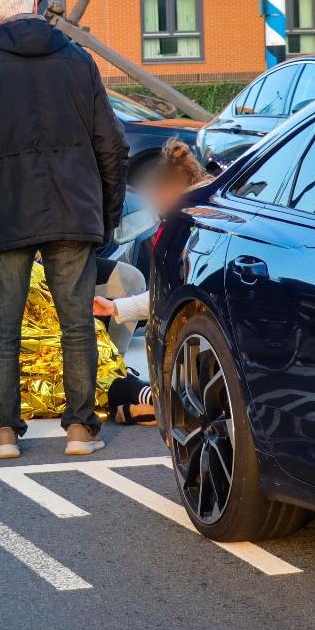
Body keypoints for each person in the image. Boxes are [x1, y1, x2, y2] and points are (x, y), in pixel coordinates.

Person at [0, 0, 127, 459]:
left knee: (4, 324)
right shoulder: (78, 60)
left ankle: (3, 432)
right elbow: (112, 143)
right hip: (72, 207)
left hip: (4, 213)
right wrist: (107, 214)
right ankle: (81, 430)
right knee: (77, 324)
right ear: (37, 3)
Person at [92, 140, 211, 425]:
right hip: (195, 346)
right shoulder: (190, 227)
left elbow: (168, 297)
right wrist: (116, 307)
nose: (155, 204)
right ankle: (150, 406)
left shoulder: (189, 235)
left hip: (196, 346)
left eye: (158, 195)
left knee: (121, 390)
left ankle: (151, 407)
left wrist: (117, 307)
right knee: (129, 388)